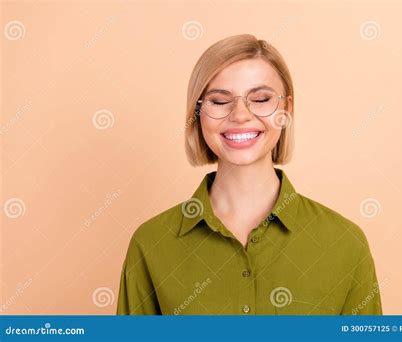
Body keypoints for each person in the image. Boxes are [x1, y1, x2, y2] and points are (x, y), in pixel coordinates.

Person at [117, 34, 382, 315]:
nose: (240, 115)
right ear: (198, 114)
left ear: (286, 110)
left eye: (260, 98)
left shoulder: (344, 243)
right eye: (219, 101)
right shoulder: (151, 244)